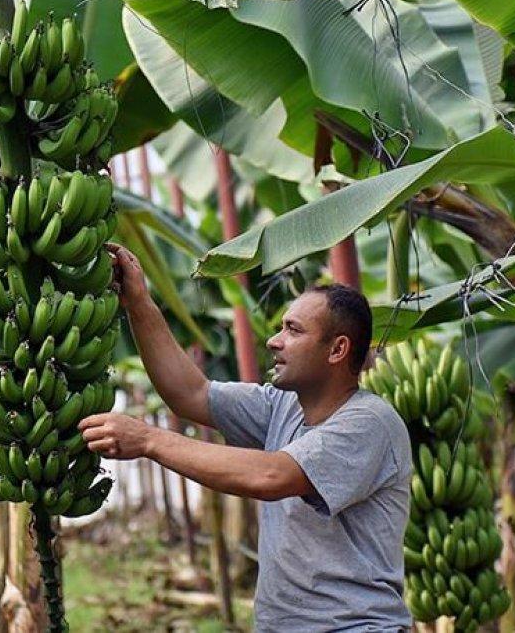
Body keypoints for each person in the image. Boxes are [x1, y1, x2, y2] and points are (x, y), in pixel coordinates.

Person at [78, 244, 413, 632]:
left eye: (293, 330)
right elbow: (191, 394)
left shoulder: (369, 423)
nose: (274, 340)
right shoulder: (282, 406)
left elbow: (273, 476)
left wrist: (149, 441)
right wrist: (138, 301)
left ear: (337, 349)